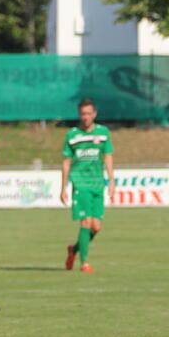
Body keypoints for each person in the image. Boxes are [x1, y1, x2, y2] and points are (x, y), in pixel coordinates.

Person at [61, 98, 115, 273]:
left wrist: (112, 181)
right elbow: (66, 162)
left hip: (97, 184)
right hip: (80, 184)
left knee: (96, 227)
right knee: (85, 222)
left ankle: (74, 250)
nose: (85, 117)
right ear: (79, 115)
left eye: (88, 113)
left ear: (94, 114)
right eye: (83, 114)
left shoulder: (103, 133)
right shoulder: (72, 135)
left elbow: (108, 156)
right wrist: (63, 187)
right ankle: (84, 263)